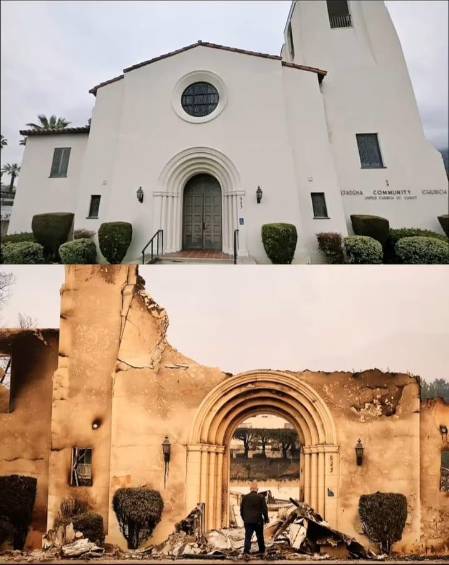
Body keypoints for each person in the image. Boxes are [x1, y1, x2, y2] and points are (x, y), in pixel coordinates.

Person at [240, 481, 269, 557]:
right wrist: (266, 519)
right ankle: (262, 551)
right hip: (258, 521)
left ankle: (246, 551)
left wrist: (244, 519)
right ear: (257, 489)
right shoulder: (261, 497)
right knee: (260, 536)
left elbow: (241, 510)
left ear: (250, 489)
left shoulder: (245, 497)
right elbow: (264, 509)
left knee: (248, 537)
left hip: (248, 521)